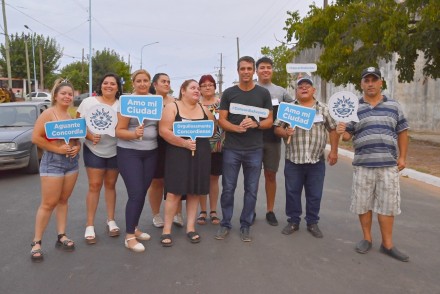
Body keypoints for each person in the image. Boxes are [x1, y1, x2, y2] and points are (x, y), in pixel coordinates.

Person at [336, 67, 410, 262]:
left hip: (388, 165)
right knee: (363, 204)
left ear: (380, 83)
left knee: (387, 206)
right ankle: (366, 239)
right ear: (361, 84)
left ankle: (387, 244)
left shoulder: (393, 106)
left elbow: (403, 131)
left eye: (373, 80)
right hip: (363, 165)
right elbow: (346, 137)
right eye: (366, 80)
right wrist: (341, 130)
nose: (370, 83)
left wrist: (402, 158)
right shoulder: (354, 108)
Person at [215, 56, 273, 242]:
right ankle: (225, 224)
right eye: (243, 69)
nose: (246, 72)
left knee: (251, 189)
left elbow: (269, 121)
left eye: (249, 68)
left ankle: (246, 224)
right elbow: (221, 119)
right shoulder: (229, 93)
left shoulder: (262, 94)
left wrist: (256, 124)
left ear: (254, 71)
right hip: (232, 148)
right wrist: (235, 128)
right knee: (228, 188)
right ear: (238, 70)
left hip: (254, 149)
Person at [274, 76, 338, 238]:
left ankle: (312, 222)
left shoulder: (323, 109)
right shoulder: (288, 109)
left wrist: (334, 151)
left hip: (316, 160)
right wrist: (285, 132)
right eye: (300, 86)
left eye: (307, 86)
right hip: (294, 159)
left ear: (313, 90)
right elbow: (276, 129)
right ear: (296, 91)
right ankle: (293, 221)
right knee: (292, 192)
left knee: (315, 193)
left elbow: (332, 129)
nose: (304, 88)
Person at [30, 79, 81, 261]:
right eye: (63, 93)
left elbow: (76, 139)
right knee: (48, 203)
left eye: (69, 94)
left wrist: (77, 147)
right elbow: (36, 137)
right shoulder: (48, 114)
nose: (67, 96)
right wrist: (57, 149)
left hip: (71, 162)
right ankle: (36, 242)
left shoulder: (71, 116)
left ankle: (61, 235)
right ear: (55, 96)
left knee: (63, 200)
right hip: (52, 161)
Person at [159, 79, 215, 246]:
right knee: (174, 192)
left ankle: (190, 228)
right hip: (177, 154)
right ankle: (166, 230)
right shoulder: (172, 107)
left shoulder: (205, 110)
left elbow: (212, 129)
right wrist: (183, 143)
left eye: (198, 88)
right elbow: (163, 131)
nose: (197, 90)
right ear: (183, 91)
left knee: (194, 191)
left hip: (201, 155)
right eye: (193, 88)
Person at [115, 69, 158, 253]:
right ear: (133, 83)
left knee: (142, 192)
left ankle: (135, 227)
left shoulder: (155, 102)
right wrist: (134, 133)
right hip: (129, 152)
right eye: (138, 80)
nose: (142, 83)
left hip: (151, 152)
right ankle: (129, 236)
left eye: (145, 80)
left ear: (150, 83)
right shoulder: (127, 102)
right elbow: (119, 130)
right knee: (136, 192)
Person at [76, 73, 121, 244]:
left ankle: (111, 220)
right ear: (100, 85)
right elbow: (77, 123)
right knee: (94, 186)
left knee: (110, 185)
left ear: (118, 87)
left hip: (115, 150)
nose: (108, 86)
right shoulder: (88, 102)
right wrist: (88, 135)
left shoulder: (121, 105)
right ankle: (90, 225)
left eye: (112, 83)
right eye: (105, 83)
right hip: (93, 149)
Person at [256, 57, 294, 226]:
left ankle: (270, 210)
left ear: (272, 70)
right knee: (252, 177)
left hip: (273, 140)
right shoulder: (251, 89)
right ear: (257, 70)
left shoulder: (281, 91)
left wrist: (288, 129)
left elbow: (294, 108)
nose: (265, 70)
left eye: (268, 67)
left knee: (270, 175)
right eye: (262, 67)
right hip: (253, 140)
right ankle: (250, 210)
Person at [147, 73, 184, 228]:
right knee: (156, 181)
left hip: (173, 144)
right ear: (155, 84)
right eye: (163, 81)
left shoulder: (176, 102)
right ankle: (156, 215)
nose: (167, 84)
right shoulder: (147, 102)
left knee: (176, 179)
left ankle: (177, 213)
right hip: (155, 144)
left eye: (168, 81)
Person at [196, 74, 222, 225]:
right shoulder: (194, 104)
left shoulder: (221, 104)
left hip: (217, 147)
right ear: (199, 88)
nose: (207, 87)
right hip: (199, 146)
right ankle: (202, 211)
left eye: (210, 84)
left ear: (214, 87)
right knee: (201, 179)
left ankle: (213, 211)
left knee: (213, 179)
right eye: (204, 85)